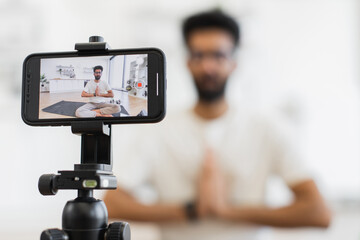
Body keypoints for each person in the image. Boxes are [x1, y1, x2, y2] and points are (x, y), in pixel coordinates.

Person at [104, 10, 331, 240]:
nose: (208, 67)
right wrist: (191, 210)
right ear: (187, 61)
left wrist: (226, 210)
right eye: (199, 55)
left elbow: (318, 212)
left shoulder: (266, 127)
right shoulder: (158, 129)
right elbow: (111, 203)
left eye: (218, 56)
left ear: (233, 62)